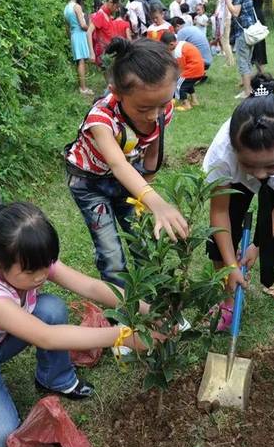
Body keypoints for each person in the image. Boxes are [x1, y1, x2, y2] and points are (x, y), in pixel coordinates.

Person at [0, 197, 146, 447]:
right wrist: (123, 335)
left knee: (51, 309)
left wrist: (144, 308)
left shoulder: (33, 261)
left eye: (45, 267)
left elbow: (90, 286)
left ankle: (54, 379)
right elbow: (47, 337)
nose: (40, 277)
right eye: (30, 272)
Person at [65, 38, 189, 286]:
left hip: (127, 179)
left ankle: (151, 297)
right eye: (144, 108)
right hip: (89, 183)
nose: (154, 115)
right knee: (110, 251)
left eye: (162, 104)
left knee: (141, 238)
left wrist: (146, 187)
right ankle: (119, 308)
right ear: (117, 94)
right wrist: (155, 202)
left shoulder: (163, 109)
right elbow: (118, 164)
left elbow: (154, 149)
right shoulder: (101, 119)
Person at [204, 74, 274, 332]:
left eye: (271, 165)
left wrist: (257, 244)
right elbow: (219, 211)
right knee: (221, 240)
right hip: (234, 181)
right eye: (250, 165)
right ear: (234, 150)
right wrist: (232, 266)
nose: (260, 174)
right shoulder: (222, 155)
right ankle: (228, 300)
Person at [223, 0, 257, 99]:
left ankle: (247, 91)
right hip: (250, 31)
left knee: (243, 62)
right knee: (247, 61)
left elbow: (235, 12)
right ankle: (250, 88)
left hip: (243, 32)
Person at [160, 32, 205, 111]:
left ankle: (186, 104)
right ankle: (194, 101)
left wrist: (174, 77)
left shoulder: (178, 51)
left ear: (171, 44)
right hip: (199, 70)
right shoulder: (182, 44)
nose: (166, 50)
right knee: (188, 85)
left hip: (192, 70)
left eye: (166, 48)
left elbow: (181, 68)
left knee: (178, 86)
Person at [63, 0, 92, 95]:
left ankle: (82, 85)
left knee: (79, 61)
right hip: (80, 34)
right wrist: (91, 26)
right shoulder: (77, 7)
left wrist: (70, 37)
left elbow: (67, 27)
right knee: (81, 61)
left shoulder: (67, 7)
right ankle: (83, 88)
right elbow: (83, 25)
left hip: (73, 35)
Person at [87, 0, 123, 68]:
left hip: (110, 51)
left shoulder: (107, 14)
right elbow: (89, 32)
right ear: (110, 2)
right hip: (104, 54)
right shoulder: (100, 15)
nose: (117, 10)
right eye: (116, 7)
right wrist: (91, 52)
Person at [249, 0, 268, 72]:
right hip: (248, 16)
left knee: (258, 47)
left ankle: (261, 75)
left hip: (256, 16)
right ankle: (248, 77)